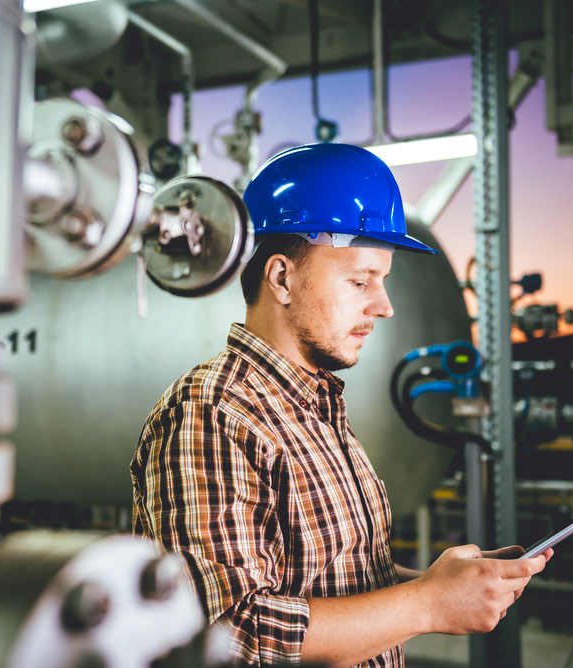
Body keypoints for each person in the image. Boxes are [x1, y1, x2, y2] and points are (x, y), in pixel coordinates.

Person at [131, 144, 550, 667]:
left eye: (383, 280)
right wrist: (426, 605)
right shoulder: (212, 414)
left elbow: (331, 575)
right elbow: (231, 634)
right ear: (281, 278)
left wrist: (450, 585)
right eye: (359, 280)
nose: (384, 306)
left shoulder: (315, 405)